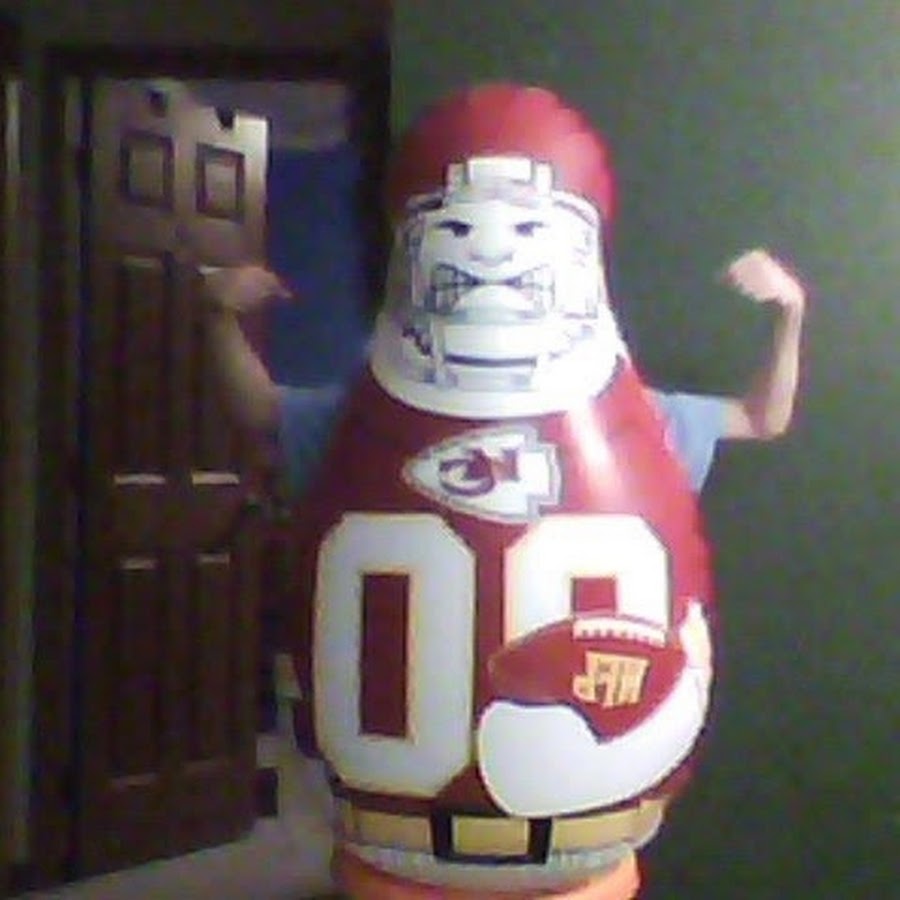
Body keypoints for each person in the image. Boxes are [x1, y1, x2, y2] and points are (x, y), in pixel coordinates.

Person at [202, 246, 806, 499]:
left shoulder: (619, 414)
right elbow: (262, 410)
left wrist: (792, 310)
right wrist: (218, 317)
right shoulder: (390, 408)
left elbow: (762, 418)